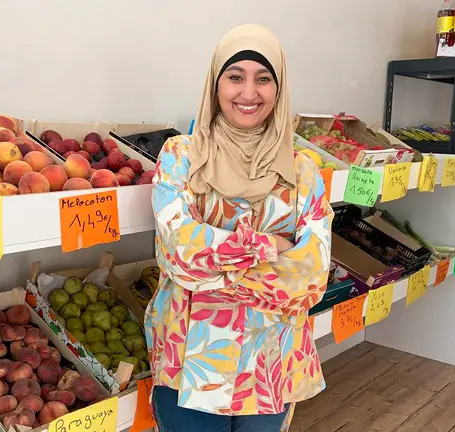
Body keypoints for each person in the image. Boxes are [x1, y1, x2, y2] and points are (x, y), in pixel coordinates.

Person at [146, 24, 333, 432]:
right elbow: (180, 254)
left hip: (268, 369)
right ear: (216, 84)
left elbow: (312, 276)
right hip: (188, 369)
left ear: (278, 89)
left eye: (263, 79)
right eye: (235, 77)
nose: (249, 92)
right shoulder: (181, 158)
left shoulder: (303, 172)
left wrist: (211, 272)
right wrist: (271, 248)